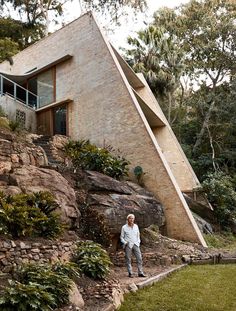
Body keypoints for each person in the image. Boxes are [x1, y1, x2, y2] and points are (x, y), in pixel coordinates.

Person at [120, 214, 146, 278]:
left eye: (132, 218)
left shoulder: (136, 226)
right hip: (128, 245)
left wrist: (138, 241)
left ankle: (140, 272)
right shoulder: (124, 227)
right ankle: (130, 273)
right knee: (128, 259)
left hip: (136, 244)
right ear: (128, 219)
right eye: (130, 218)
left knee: (139, 258)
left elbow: (138, 235)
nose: (131, 219)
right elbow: (121, 237)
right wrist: (125, 243)